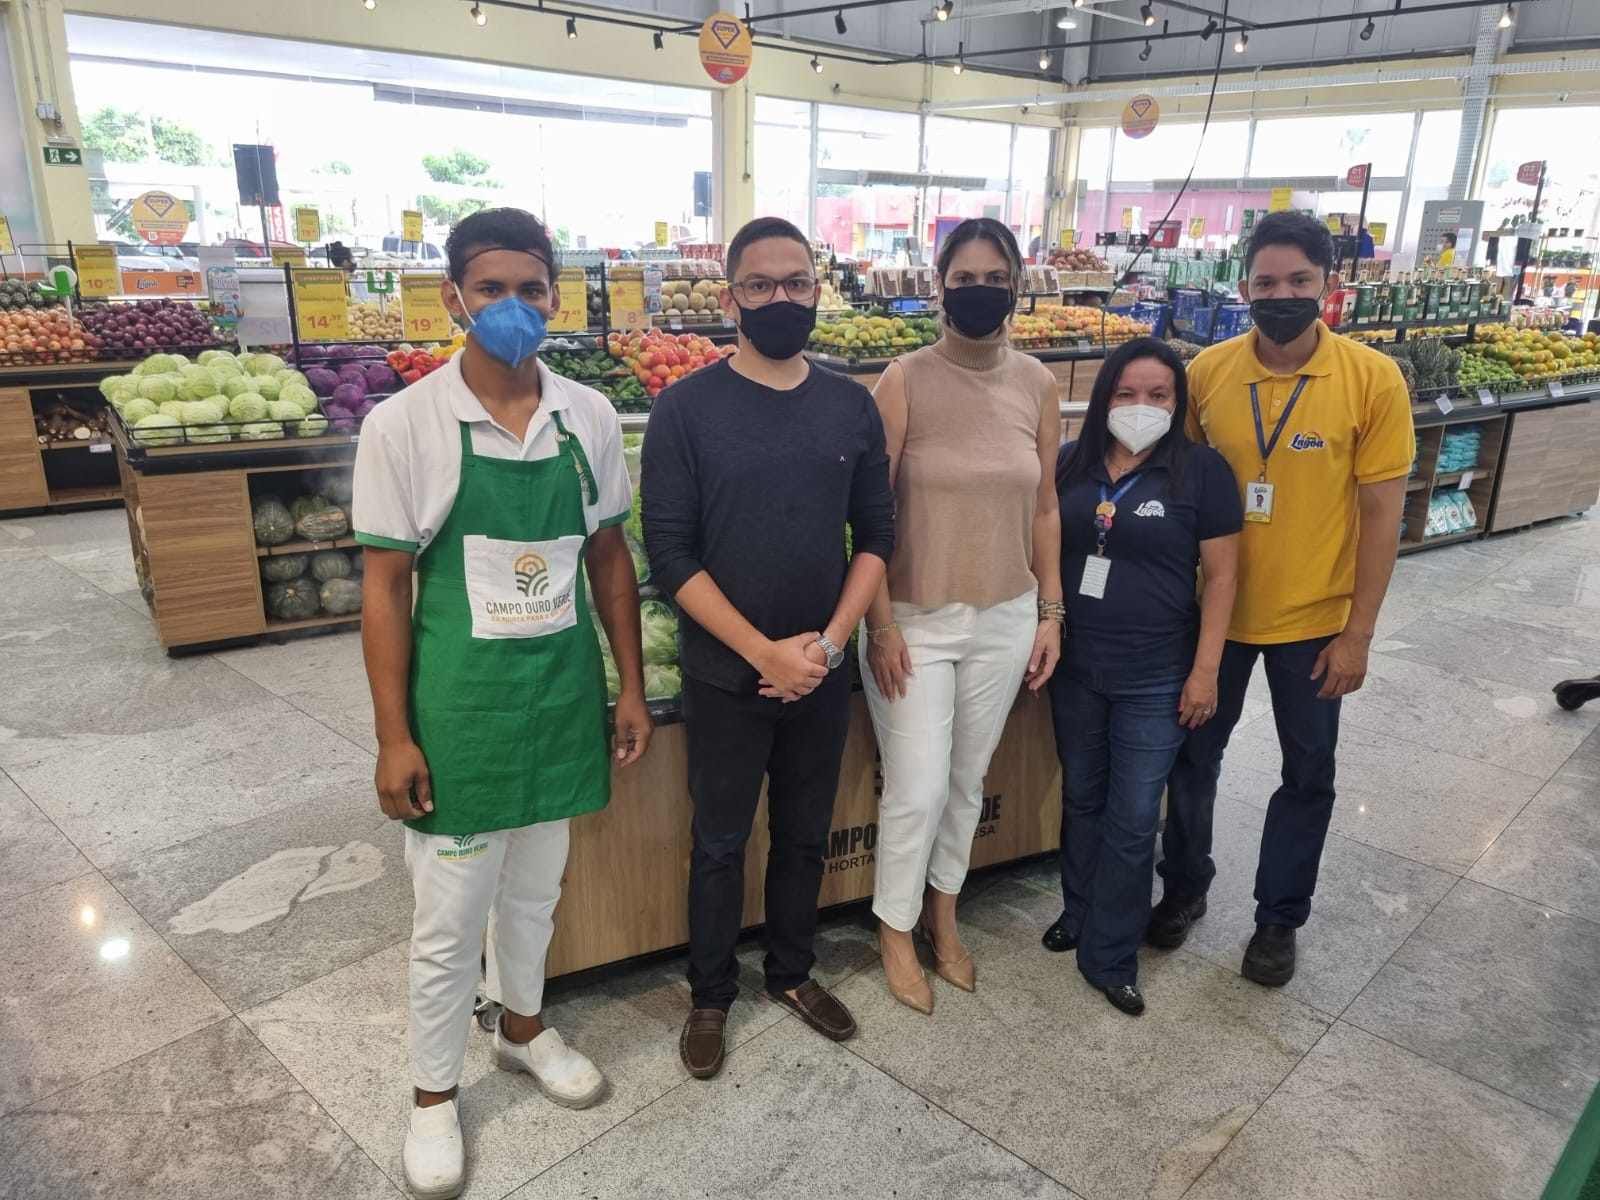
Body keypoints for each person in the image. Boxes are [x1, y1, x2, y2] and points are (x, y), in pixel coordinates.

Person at [353, 207, 653, 1200]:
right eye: (491, 289)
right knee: (448, 918)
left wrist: (630, 684)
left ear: (554, 297)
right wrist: (395, 736)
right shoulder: (405, 425)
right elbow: (386, 588)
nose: (514, 307)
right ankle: (433, 1094)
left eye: (532, 288)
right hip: (464, 708)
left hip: (559, 692)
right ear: (453, 298)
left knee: (536, 890)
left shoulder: (587, 417)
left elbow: (608, 556)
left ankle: (523, 1028)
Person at [641, 216, 894, 1079]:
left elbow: (876, 536)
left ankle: (791, 972)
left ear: (817, 291)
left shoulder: (850, 403)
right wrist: (764, 653)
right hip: (725, 672)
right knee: (718, 841)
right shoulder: (684, 409)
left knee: (802, 834)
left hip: (820, 672)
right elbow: (671, 555)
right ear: (730, 298)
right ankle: (710, 993)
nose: (780, 298)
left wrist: (824, 646)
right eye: (760, 285)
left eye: (796, 283)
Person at [1153, 210, 1413, 987]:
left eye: (1300, 280)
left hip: (1314, 620)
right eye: (1266, 280)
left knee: (1308, 772)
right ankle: (1186, 885)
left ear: (1329, 286)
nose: (1282, 294)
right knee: (1193, 758)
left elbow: (1381, 520)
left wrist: (1359, 633)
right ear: (1243, 286)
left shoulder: (1372, 380)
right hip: (1216, 618)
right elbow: (1185, 496)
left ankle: (1278, 919)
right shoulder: (1208, 375)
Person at [862, 217, 1062, 1015]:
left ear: (1018, 283)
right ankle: (894, 927)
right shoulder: (904, 379)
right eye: (964, 278)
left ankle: (945, 911)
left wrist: (1048, 612)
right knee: (913, 787)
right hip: (913, 618)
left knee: (966, 781)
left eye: (995, 278)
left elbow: (1044, 508)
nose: (979, 292)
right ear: (937, 283)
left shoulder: (1038, 384)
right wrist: (878, 622)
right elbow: (870, 515)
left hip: (1006, 617)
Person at [1041, 338, 1241, 1016]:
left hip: (1158, 674)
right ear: (1104, 400)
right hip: (1077, 668)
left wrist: (1205, 672)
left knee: (1132, 819)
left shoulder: (1202, 472)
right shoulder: (1071, 463)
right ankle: (1081, 909)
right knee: (1083, 800)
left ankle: (1111, 955)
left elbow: (1222, 578)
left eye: (1159, 395)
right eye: (1126, 393)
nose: (1142, 406)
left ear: (1178, 402)